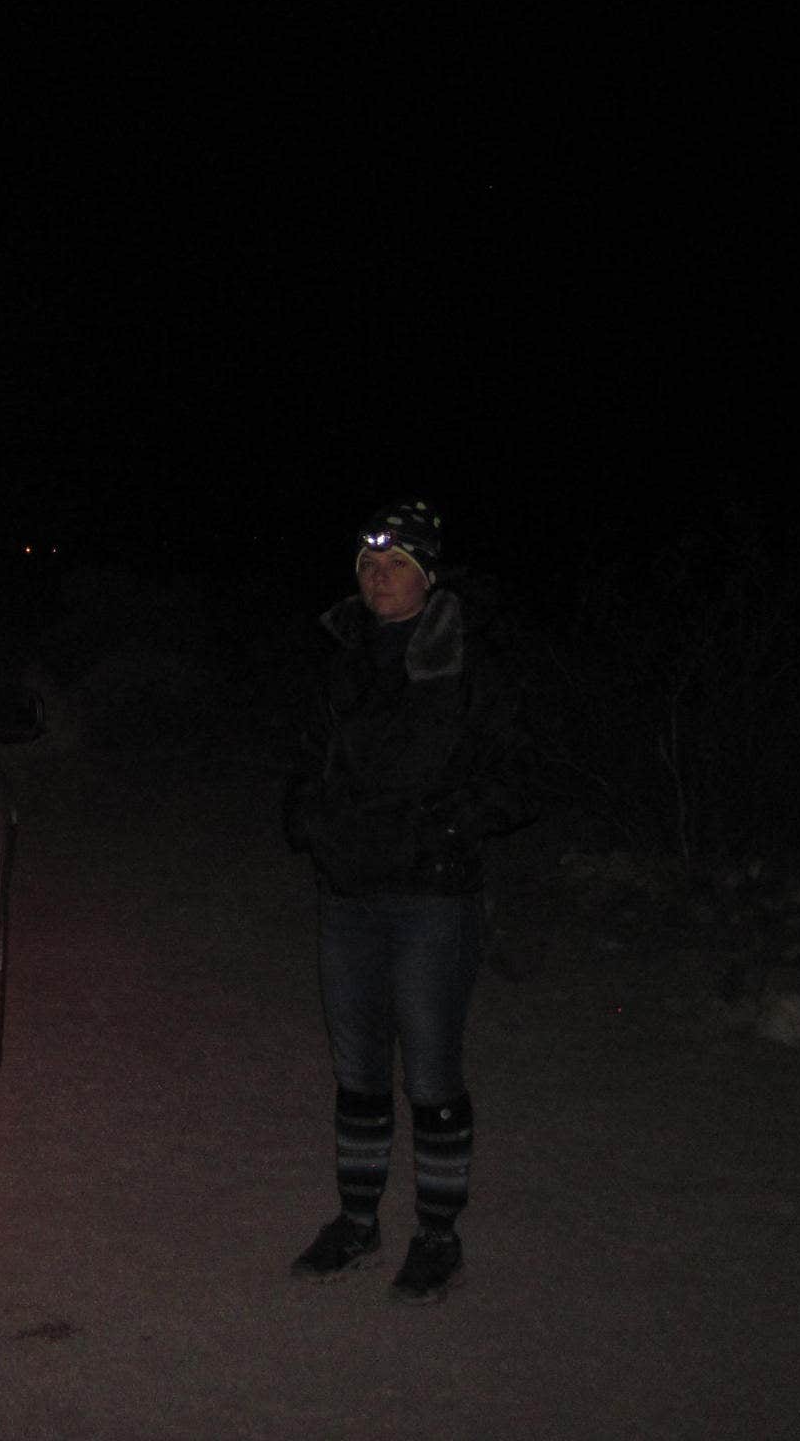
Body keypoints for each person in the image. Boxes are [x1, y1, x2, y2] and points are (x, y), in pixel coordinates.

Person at [282, 499, 533, 1304]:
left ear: (427, 574)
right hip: (349, 891)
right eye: (366, 564)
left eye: (395, 564)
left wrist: (448, 825)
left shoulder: (470, 659)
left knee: (429, 1071)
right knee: (356, 1070)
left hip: (430, 897)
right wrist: (308, 819)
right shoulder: (338, 655)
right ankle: (358, 1223)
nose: (377, 576)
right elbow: (308, 759)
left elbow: (518, 776)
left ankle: (437, 1236)